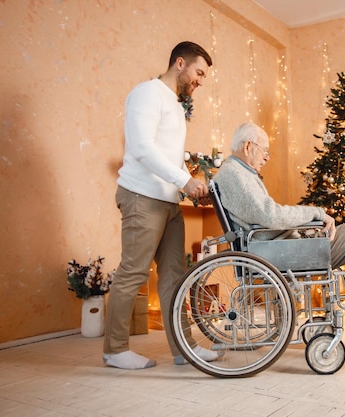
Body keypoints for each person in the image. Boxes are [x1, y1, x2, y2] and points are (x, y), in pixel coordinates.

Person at [214, 122, 345, 337]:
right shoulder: (235, 175)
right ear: (247, 146)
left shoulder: (237, 173)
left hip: (279, 248)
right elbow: (271, 215)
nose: (267, 157)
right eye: (264, 151)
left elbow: (265, 216)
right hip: (280, 253)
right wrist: (316, 213)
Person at [103, 41, 223, 370]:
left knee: (174, 277)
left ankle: (183, 348)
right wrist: (184, 181)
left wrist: (189, 184)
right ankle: (114, 349)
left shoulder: (175, 105)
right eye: (199, 72)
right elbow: (141, 147)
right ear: (180, 63)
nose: (200, 80)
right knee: (133, 272)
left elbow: (169, 157)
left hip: (169, 203)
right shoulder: (147, 93)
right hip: (142, 197)